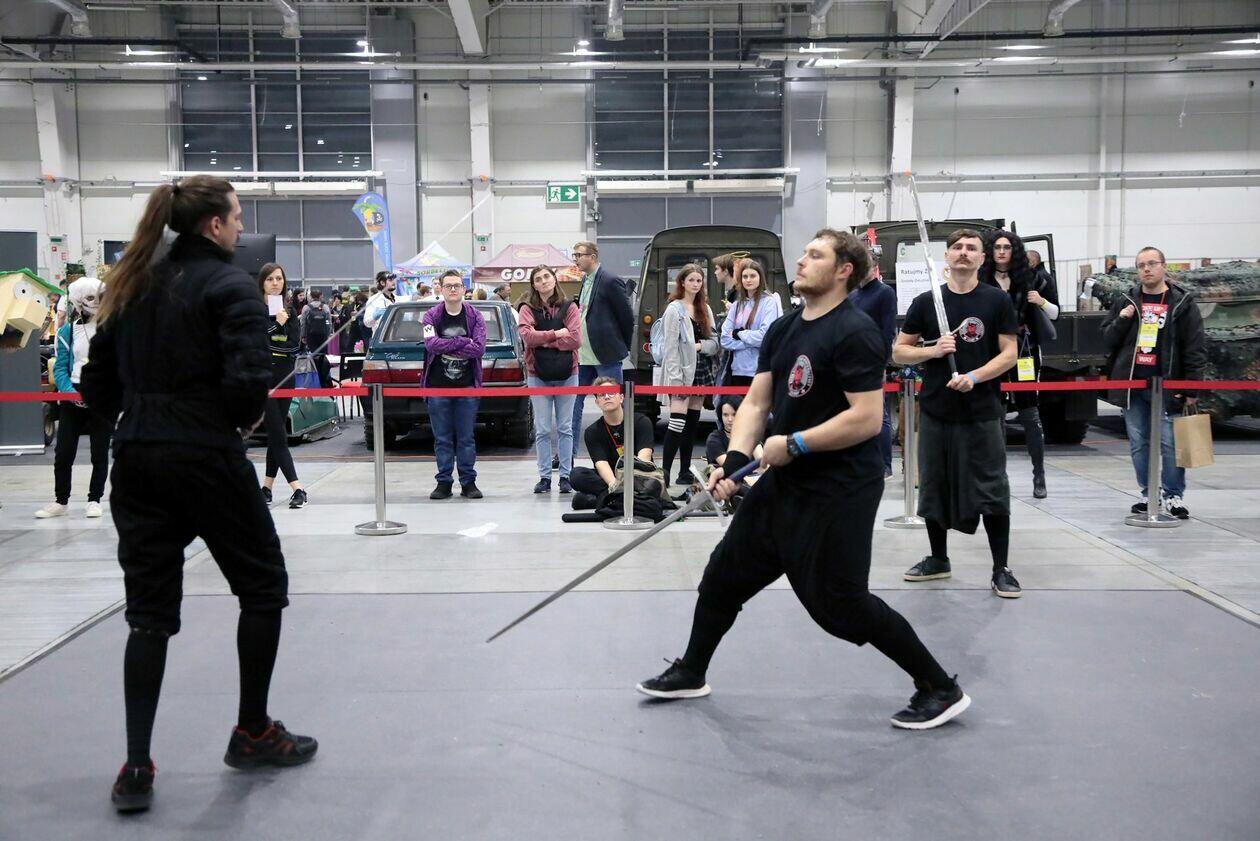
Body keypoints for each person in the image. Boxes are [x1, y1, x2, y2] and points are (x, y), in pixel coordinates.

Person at [636, 229, 970, 731]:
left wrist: (794, 443)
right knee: (723, 576)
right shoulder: (785, 328)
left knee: (841, 604)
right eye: (805, 252)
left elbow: (866, 418)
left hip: (841, 486)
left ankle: (939, 687)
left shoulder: (856, 331)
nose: (801, 260)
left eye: (815, 255)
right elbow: (757, 402)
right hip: (787, 480)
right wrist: (733, 458)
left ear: (843, 271)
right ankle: (692, 670)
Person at [79, 176, 316, 814]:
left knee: (148, 614)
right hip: (206, 456)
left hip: (137, 458)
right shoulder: (230, 286)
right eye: (235, 217)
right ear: (213, 225)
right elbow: (248, 382)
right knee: (262, 586)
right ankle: (253, 731)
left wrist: (143, 417)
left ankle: (136, 765)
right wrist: (227, 422)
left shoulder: (132, 283)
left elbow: (96, 384)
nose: (240, 226)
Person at [894, 229, 1021, 598]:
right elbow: (899, 352)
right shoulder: (926, 302)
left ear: (982, 258)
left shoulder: (996, 300)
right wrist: (933, 351)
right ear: (947, 257)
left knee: (992, 488)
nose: (963, 253)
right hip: (936, 410)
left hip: (982, 411)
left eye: (971, 248)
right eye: (957, 248)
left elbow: (1009, 353)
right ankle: (938, 559)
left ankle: (1001, 568)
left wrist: (974, 377)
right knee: (934, 486)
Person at [1101, 246, 1207, 519]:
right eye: (1141, 265)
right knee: (1139, 443)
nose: (1146, 269)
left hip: (1169, 386)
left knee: (1171, 444)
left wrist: (1191, 387)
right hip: (1134, 385)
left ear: (1163, 266)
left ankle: (1173, 495)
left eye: (1152, 263)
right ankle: (1149, 494)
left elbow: (1194, 347)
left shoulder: (1182, 303)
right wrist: (1123, 318)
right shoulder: (1127, 301)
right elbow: (1106, 340)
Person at [979, 229, 1058, 499]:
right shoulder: (981, 279)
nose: (1002, 252)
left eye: (1007, 247)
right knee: (996, 414)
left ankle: (1039, 474)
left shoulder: (1033, 278)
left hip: (1024, 350)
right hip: (990, 351)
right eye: (997, 247)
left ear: (1014, 251)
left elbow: (1055, 313)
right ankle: (998, 475)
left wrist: (1041, 301)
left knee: (1030, 414)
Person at [36, 277, 112, 520]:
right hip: (73, 393)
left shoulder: (111, 329)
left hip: (101, 395)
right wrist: (71, 393)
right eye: (89, 298)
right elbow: (60, 368)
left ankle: (95, 499)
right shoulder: (67, 331)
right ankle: (61, 500)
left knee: (99, 452)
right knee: (64, 452)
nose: (95, 302)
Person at [423, 269, 487, 500]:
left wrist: (448, 344)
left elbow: (479, 348)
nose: (453, 289)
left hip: (468, 386)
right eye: (448, 285)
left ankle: (469, 482)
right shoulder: (430, 316)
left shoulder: (476, 316)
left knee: (466, 437)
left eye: (457, 285)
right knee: (442, 438)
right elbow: (431, 345)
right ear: (440, 289)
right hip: (437, 387)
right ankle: (444, 482)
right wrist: (461, 341)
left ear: (463, 289)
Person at [518, 265, 581, 494]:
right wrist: (556, 334)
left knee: (565, 428)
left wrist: (543, 341)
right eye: (538, 279)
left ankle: (565, 476)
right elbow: (527, 337)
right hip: (538, 374)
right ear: (534, 285)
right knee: (543, 429)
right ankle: (544, 477)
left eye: (547, 276)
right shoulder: (526, 308)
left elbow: (575, 339)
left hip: (568, 373)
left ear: (554, 280)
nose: (543, 281)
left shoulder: (570, 306)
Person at [659, 263, 720, 486]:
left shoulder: (705, 309)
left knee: (692, 423)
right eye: (691, 280)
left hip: (701, 368)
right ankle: (664, 472)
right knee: (677, 422)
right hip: (681, 371)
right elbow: (670, 347)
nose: (695, 284)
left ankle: (684, 471)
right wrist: (676, 380)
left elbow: (715, 343)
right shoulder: (674, 309)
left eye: (699, 280)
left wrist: (699, 346)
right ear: (682, 282)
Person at [569, 241, 634, 449]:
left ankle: (622, 452)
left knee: (614, 405)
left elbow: (626, 316)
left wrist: (621, 346)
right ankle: (567, 455)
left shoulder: (610, 280)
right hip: (583, 355)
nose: (576, 259)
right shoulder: (585, 279)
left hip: (606, 355)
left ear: (593, 257)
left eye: (579, 255)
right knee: (572, 405)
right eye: (574, 255)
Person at [258, 263, 307, 509]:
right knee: (278, 433)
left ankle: (266, 488)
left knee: (275, 435)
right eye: (270, 279)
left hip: (286, 375)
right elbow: (257, 341)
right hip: (263, 377)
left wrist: (275, 334)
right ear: (262, 283)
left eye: (279, 278)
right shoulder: (255, 309)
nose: (275, 283)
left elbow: (293, 345)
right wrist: (276, 326)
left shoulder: (290, 311)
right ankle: (297, 488)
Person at [569, 376, 655, 509]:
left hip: (639, 475)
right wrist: (614, 485)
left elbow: (644, 457)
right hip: (610, 476)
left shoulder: (641, 421)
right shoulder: (592, 431)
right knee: (576, 475)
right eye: (602, 395)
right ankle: (622, 497)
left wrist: (631, 481)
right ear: (597, 402)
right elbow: (601, 464)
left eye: (611, 393)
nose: (607, 397)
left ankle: (607, 499)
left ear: (621, 397)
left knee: (662, 477)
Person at [847, 260, 898, 479]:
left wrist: (881, 363)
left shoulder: (884, 293)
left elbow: (888, 332)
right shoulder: (853, 295)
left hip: (872, 362)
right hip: (851, 362)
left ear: (875, 267)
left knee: (879, 414)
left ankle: (885, 464)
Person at [719, 259, 782, 387]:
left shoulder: (769, 302)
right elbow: (724, 339)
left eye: (753, 276)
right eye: (745, 276)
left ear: (760, 278)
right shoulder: (736, 305)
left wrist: (739, 333)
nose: (748, 280)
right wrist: (751, 342)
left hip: (760, 371)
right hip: (736, 371)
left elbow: (764, 337)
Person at [705, 395, 763, 468]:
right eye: (725, 415)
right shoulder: (714, 439)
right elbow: (730, 467)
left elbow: (762, 463)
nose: (730, 419)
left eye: (734, 414)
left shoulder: (750, 435)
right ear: (720, 416)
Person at [299, 289, 333, 387]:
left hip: (311, 335)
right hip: (323, 335)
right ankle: (324, 379)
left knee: (313, 356)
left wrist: (303, 336)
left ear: (311, 297)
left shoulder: (306, 307)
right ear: (320, 296)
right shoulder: (325, 307)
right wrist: (328, 334)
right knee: (323, 357)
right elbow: (329, 322)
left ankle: (314, 379)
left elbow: (303, 323)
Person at [361, 270, 397, 336]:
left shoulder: (398, 299)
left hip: (396, 338)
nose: (393, 282)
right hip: (380, 338)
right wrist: (374, 317)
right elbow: (367, 323)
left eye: (393, 280)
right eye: (390, 280)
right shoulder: (374, 300)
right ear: (382, 283)